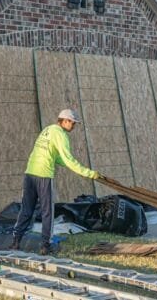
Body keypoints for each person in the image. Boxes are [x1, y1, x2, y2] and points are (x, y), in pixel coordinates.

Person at [12, 109, 99, 255]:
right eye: (73, 123)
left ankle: (15, 242)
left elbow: (56, 157)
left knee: (26, 209)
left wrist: (66, 163)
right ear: (64, 121)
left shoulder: (48, 130)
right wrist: (88, 173)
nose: (74, 126)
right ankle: (46, 245)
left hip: (30, 173)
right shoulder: (61, 134)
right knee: (48, 212)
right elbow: (68, 159)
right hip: (44, 175)